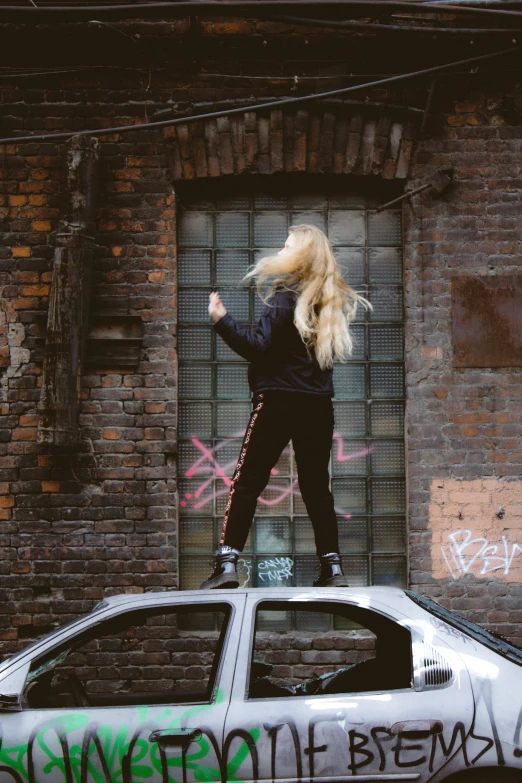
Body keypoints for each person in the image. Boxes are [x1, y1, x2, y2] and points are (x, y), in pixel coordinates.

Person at [199, 224, 370, 590]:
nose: (281, 248)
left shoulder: (283, 297)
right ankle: (333, 569)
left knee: (246, 483)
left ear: (300, 255)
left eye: (287, 244)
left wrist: (221, 320)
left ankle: (227, 564)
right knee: (316, 488)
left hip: (278, 400)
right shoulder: (325, 304)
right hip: (318, 405)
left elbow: (258, 347)